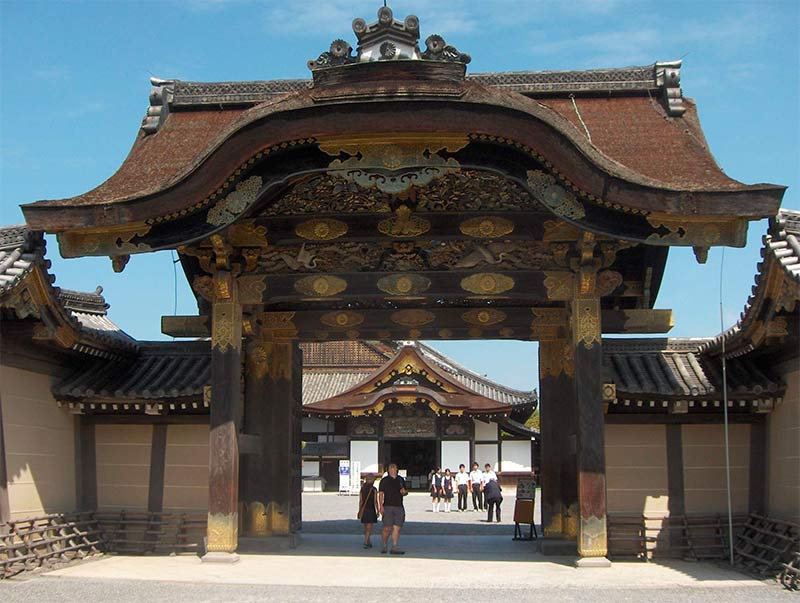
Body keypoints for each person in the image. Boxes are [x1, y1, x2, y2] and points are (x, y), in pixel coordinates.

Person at [378, 463, 408, 554]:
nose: (392, 469)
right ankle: (384, 545)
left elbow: (405, 491)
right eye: (391, 468)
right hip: (387, 506)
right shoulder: (384, 480)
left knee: (397, 527)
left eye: (394, 468)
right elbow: (381, 494)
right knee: (387, 527)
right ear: (388, 470)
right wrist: (380, 506)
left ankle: (394, 546)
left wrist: (404, 492)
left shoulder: (400, 479)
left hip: (399, 506)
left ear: (396, 469)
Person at [358, 474, 379, 549]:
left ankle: (368, 541)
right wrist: (378, 510)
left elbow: (360, 501)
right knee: (369, 528)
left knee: (366, 527)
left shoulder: (362, 488)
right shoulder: (374, 489)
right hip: (371, 509)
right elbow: (375, 501)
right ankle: (366, 542)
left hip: (364, 510)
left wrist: (359, 510)